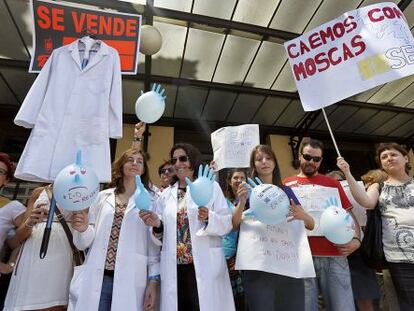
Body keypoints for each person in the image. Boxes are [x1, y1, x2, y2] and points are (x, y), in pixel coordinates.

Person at [140, 143, 235, 311]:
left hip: (204, 265)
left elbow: (227, 223)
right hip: (175, 268)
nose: (178, 163)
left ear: (193, 160)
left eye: (183, 158)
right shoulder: (165, 195)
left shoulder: (211, 188)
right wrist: (157, 225)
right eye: (174, 160)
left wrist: (209, 218)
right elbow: (160, 235)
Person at [68, 148, 160, 311]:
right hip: (100, 276)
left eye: (140, 161)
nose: (135, 163)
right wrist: (83, 229)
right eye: (130, 160)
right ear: (121, 166)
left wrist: (153, 281)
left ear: (144, 169)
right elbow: (86, 241)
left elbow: (154, 247)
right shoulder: (102, 197)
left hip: (131, 277)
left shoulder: (153, 199)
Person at [233, 145, 315, 311]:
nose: (264, 162)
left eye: (268, 158)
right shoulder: (247, 191)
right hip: (258, 267)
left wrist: (302, 215)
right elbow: (234, 225)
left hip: (287, 265)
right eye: (259, 159)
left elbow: (311, 224)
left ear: (275, 163)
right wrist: (242, 202)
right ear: (253, 165)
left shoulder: (286, 191)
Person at [283, 138, 361, 311]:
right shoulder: (285, 184)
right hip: (300, 257)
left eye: (316, 159)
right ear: (299, 156)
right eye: (308, 157)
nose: (311, 162)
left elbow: (349, 214)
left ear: (321, 160)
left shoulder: (333, 183)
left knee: (343, 308)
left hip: (335, 254)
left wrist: (356, 240)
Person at [337, 142, 414, 310]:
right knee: (408, 302)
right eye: (384, 157)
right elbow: (366, 202)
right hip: (398, 256)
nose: (389, 159)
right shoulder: (378, 186)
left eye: (393, 155)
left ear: (406, 158)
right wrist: (347, 173)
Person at [4, 183, 74, 311]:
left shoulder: (86, 192)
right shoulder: (39, 192)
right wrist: (30, 222)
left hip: (61, 256)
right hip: (32, 256)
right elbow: (15, 241)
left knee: (54, 303)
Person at [327, 170, 380, 311]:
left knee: (365, 298)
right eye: (331, 183)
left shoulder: (358, 193)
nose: (336, 186)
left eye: (339, 182)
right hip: (333, 252)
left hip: (358, 251)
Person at [0, 153, 26, 309]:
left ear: (6, 180)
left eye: (0, 172)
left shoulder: (11, 207)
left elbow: (27, 236)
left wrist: (11, 264)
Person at [222, 168, 248, 310]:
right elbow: (231, 226)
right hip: (232, 257)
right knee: (234, 299)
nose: (239, 181)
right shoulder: (223, 202)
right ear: (229, 182)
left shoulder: (253, 199)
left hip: (250, 253)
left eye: (242, 178)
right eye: (235, 178)